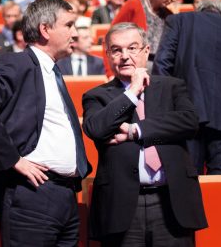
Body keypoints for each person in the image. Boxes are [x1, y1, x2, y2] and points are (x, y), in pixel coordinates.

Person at [0, 0, 91, 246]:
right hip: (31, 195)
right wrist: (13, 159)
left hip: (65, 196)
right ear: (45, 29)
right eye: (69, 25)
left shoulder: (53, 71)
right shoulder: (17, 62)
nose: (75, 33)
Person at [83, 22, 207, 245]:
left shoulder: (172, 86)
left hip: (171, 201)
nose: (124, 56)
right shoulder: (97, 96)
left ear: (146, 51)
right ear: (108, 54)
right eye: (117, 50)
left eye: (132, 48)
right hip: (121, 205)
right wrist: (131, 92)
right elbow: (96, 129)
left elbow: (188, 122)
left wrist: (135, 131)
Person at [153, 0, 221, 175]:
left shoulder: (179, 21)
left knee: (188, 185)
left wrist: (170, 110)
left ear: (198, 9)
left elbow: (162, 65)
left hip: (186, 116)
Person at [111, 0, 191, 72]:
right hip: (131, 70)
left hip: (160, 72)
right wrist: (110, 73)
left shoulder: (169, 16)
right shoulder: (133, 5)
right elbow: (111, 39)